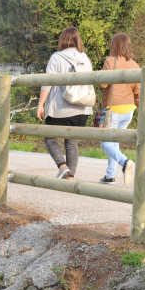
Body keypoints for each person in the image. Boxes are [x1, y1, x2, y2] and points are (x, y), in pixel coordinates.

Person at [37, 26, 94, 180]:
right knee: (72, 142)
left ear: (62, 39)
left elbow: (47, 82)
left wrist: (40, 104)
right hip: (82, 109)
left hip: (60, 109)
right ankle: (70, 178)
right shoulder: (85, 58)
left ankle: (62, 166)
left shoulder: (56, 57)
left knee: (50, 137)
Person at [98, 33, 141, 185]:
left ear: (114, 46)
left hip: (112, 108)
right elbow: (138, 91)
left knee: (105, 142)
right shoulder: (135, 65)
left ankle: (124, 162)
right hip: (129, 109)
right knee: (114, 143)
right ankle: (110, 175)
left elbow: (102, 84)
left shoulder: (111, 61)